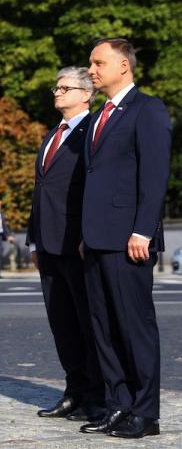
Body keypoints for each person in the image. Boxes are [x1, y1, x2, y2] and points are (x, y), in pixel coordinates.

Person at [78, 39, 170, 438]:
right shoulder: (98, 116)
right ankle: (117, 405)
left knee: (134, 327)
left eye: (99, 63)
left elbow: (154, 175)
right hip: (95, 240)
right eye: (90, 64)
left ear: (123, 66)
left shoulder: (147, 109)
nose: (92, 70)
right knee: (104, 328)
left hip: (128, 239)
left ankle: (145, 413)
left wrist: (143, 230)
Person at [27, 67, 103, 423]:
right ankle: (74, 391)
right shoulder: (52, 135)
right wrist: (33, 238)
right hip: (48, 243)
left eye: (64, 87)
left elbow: (93, 190)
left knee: (87, 323)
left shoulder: (92, 133)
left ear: (86, 94)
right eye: (55, 87)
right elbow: (41, 190)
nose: (56, 93)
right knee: (62, 324)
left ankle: (96, 396)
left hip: (76, 243)